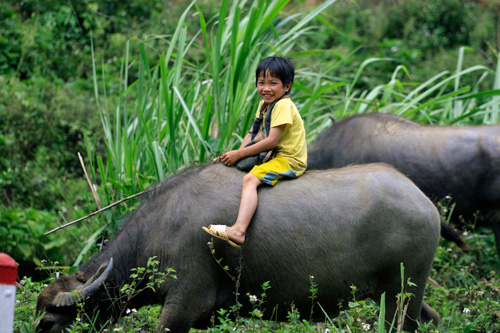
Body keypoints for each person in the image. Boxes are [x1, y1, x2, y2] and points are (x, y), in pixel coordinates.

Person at [202, 56, 307, 249]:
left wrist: (240, 155)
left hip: (289, 159)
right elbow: (253, 133)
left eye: (273, 83)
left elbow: (272, 140)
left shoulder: (284, 105)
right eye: (261, 83)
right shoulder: (265, 104)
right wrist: (234, 155)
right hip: (273, 155)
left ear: (287, 86)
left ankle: (238, 230)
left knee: (250, 180)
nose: (266, 88)